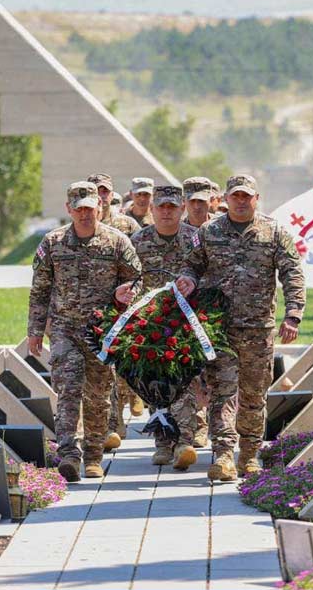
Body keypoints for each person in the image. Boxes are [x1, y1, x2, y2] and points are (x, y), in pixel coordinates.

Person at [177, 174, 306, 481]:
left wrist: (294, 314)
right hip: (219, 329)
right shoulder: (209, 232)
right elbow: (191, 264)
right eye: (235, 196)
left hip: (259, 330)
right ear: (224, 199)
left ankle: (249, 455)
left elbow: (292, 272)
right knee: (222, 390)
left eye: (246, 196)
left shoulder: (273, 232)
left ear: (256, 198)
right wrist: (188, 280)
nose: (241, 200)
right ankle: (222, 455)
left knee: (253, 394)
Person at [27, 182, 142, 482]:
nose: (85, 215)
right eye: (78, 209)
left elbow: (138, 281)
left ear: (99, 208)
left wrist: (124, 294)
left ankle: (93, 455)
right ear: (68, 210)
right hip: (64, 328)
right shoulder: (53, 243)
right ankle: (68, 453)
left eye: (90, 209)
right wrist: (35, 330)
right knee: (67, 387)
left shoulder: (116, 243)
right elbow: (39, 290)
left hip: (102, 331)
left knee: (98, 395)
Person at [130, 183, 200, 470]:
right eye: (161, 207)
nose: (167, 212)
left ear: (182, 208)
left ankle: (184, 440)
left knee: (185, 381)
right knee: (154, 382)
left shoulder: (196, 239)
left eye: (173, 207)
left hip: (187, 322)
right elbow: (128, 279)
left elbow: (207, 273)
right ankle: (162, 441)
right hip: (150, 325)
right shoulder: (137, 241)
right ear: (152, 209)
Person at [87, 173, 144, 448]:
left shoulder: (126, 225)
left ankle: (120, 413)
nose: (101, 196)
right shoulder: (81, 223)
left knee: (120, 366)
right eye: (95, 191)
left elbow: (138, 265)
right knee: (101, 368)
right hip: (92, 312)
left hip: (122, 308)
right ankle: (110, 425)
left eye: (105, 191)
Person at [181, 176, 218, 446]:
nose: (197, 207)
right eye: (192, 201)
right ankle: (188, 429)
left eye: (202, 202)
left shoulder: (220, 231)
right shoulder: (175, 231)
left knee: (213, 373)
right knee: (185, 373)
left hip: (215, 315)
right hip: (180, 315)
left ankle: (207, 424)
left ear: (213, 202)